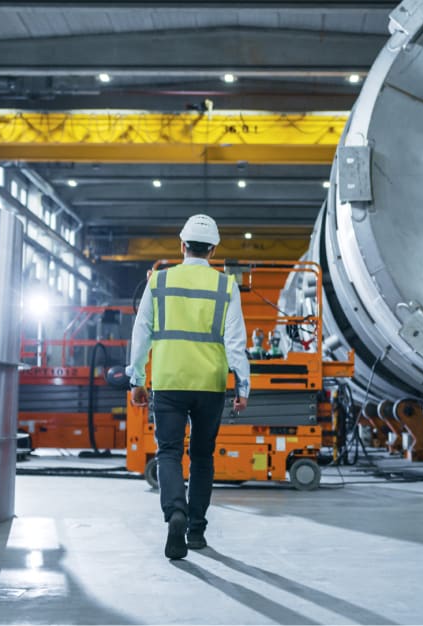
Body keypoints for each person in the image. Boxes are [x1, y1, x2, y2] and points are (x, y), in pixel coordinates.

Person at [125, 214, 250, 560]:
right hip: (209, 384)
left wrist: (136, 379)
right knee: (202, 457)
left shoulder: (159, 282)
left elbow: (142, 333)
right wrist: (243, 387)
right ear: (212, 250)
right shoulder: (226, 286)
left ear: (182, 246)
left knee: (168, 452)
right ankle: (195, 530)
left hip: (168, 381)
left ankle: (175, 512)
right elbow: (235, 341)